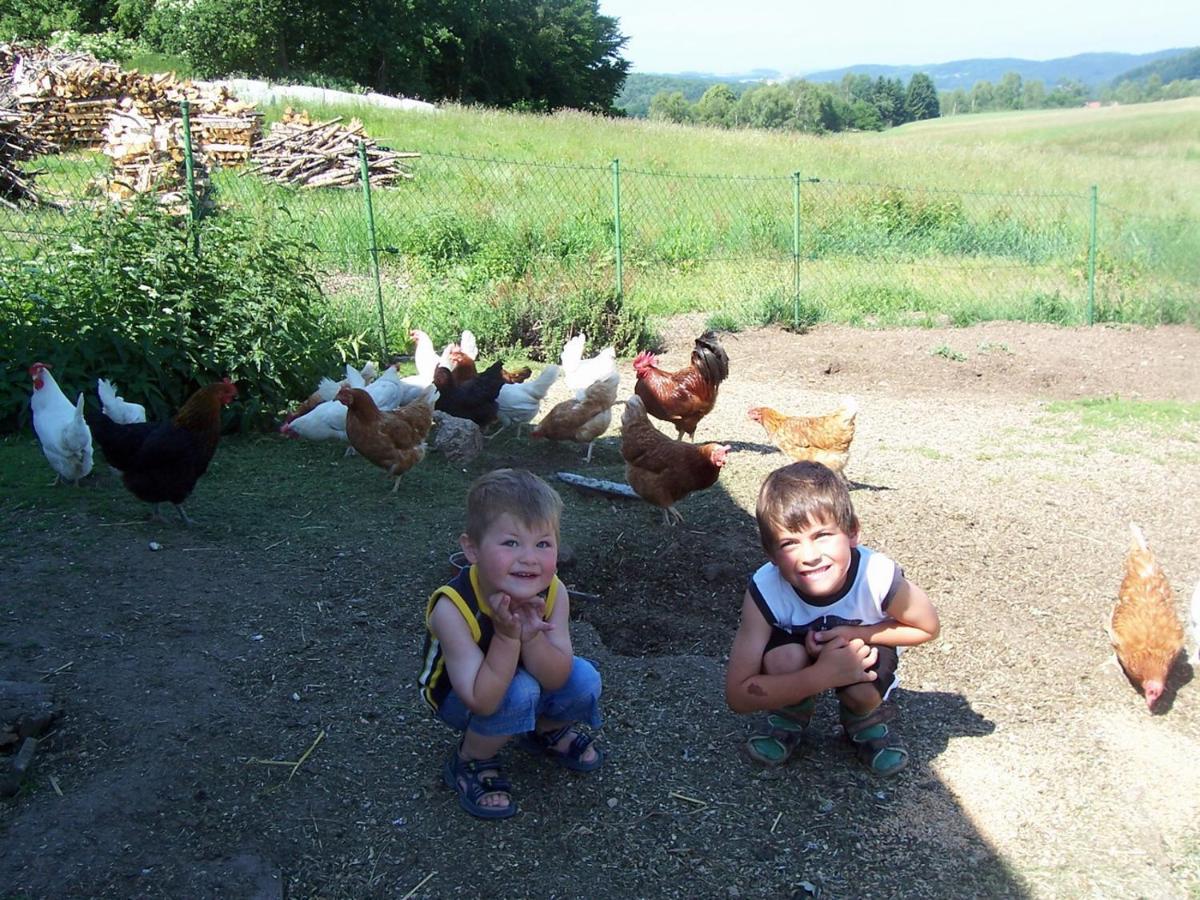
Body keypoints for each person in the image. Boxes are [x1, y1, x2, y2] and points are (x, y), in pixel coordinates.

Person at [725, 461, 940, 775]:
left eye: (822, 535)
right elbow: (737, 695)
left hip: (860, 648)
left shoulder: (876, 575)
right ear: (770, 554)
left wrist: (860, 636)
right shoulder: (765, 588)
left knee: (863, 684)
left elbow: (927, 627)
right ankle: (790, 716)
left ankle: (863, 720)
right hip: (800, 657)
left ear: (852, 531)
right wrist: (824, 676)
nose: (810, 555)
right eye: (789, 543)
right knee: (784, 657)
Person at [418, 468, 604, 819]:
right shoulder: (452, 608)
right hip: (460, 698)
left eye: (543, 544)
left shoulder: (554, 592)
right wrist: (506, 636)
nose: (529, 558)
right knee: (518, 691)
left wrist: (530, 636)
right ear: (472, 548)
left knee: (584, 679)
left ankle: (542, 732)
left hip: (522, 682)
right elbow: (482, 700)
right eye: (511, 542)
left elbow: (557, 678)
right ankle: (472, 758)